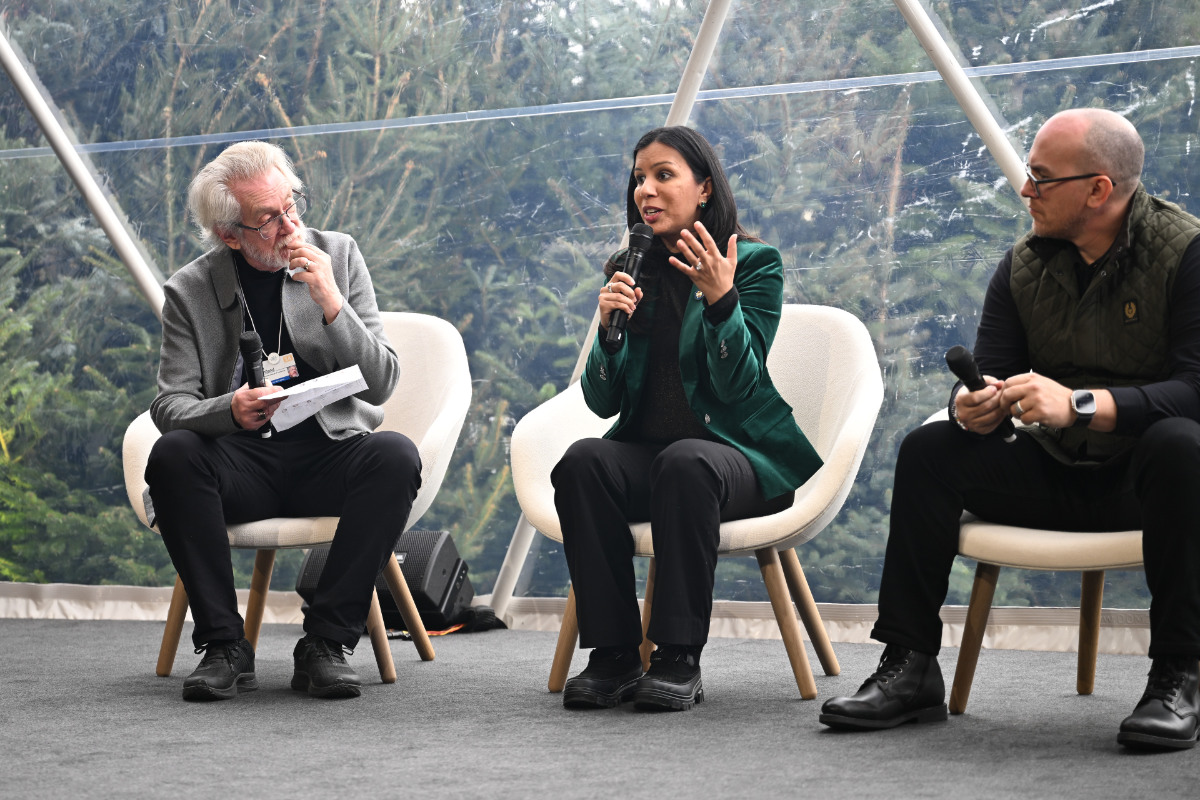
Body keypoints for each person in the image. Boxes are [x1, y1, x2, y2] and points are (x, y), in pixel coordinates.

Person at [820, 109, 1200, 751]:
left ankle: (1179, 676)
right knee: (930, 449)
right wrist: (972, 406)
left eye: (1041, 178)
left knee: (1182, 444)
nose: (1025, 190)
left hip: (1148, 482)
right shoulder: (1023, 264)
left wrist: (1081, 403)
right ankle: (909, 667)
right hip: (1052, 473)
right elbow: (989, 371)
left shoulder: (1185, 251)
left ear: (1099, 189)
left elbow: (1195, 388)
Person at [551, 126, 823, 711]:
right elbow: (603, 403)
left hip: (733, 458)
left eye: (663, 175)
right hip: (655, 457)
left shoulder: (751, 264)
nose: (645, 189)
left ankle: (678, 655)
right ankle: (615, 656)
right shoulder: (630, 267)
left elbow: (738, 386)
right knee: (582, 462)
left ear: (703, 189)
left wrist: (723, 302)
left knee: (687, 460)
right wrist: (608, 333)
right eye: (638, 177)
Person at [145, 141, 422, 702]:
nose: (291, 223)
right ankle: (223, 645)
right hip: (243, 461)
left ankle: (326, 641)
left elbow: (384, 379)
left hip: (328, 449)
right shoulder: (191, 289)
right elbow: (170, 405)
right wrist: (229, 409)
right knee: (171, 455)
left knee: (395, 457)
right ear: (230, 235)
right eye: (268, 219)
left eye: (292, 205)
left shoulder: (337, 255)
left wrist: (329, 299)